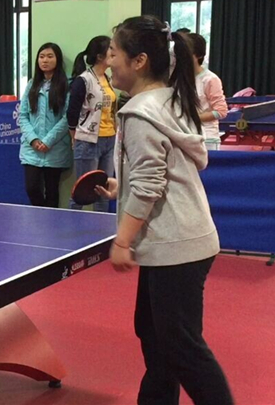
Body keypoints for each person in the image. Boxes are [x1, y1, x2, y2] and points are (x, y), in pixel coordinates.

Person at [97, 16, 234, 405]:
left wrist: (122, 241)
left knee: (181, 348)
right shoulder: (171, 99)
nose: (109, 61)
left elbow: (150, 185)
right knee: (155, 336)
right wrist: (120, 186)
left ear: (139, 60)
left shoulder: (140, 112)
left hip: (176, 244)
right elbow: (161, 168)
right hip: (180, 241)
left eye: (114, 53)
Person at [67, 35, 117, 211]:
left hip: (109, 139)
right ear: (100, 56)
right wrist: (75, 137)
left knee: (104, 191)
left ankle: (101, 226)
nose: (114, 53)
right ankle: (72, 224)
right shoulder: (83, 80)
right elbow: (72, 113)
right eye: (110, 49)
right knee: (81, 192)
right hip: (88, 141)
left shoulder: (109, 79)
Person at [18, 43, 71, 207]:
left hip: (55, 149)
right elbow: (23, 115)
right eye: (41, 57)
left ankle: (51, 222)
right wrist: (33, 139)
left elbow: (67, 118)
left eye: (49, 56)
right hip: (31, 149)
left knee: (52, 192)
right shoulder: (31, 84)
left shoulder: (66, 85)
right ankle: (41, 217)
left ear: (57, 59)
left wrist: (48, 141)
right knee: (32, 188)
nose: (45, 60)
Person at [189, 33, 228, 150]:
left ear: (198, 55)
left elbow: (221, 112)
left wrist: (193, 118)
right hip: (185, 136)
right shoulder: (178, 79)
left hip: (207, 139)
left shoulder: (210, 79)